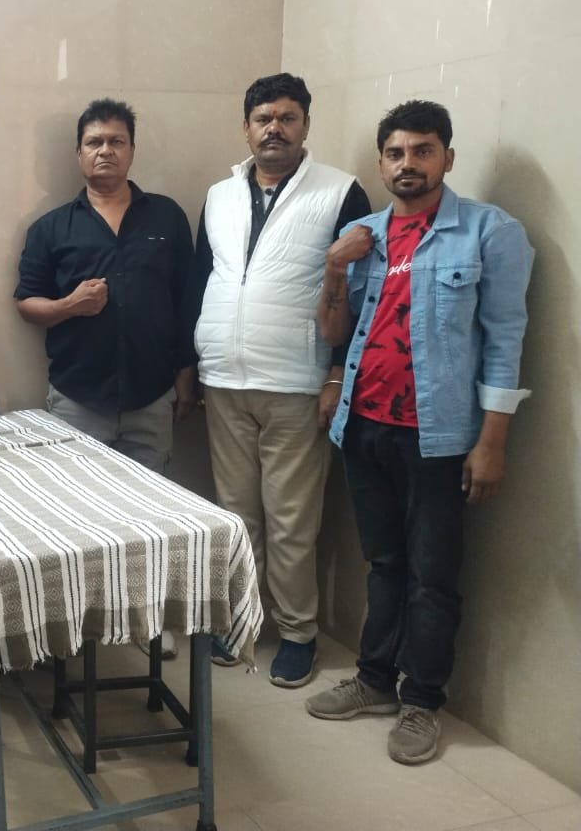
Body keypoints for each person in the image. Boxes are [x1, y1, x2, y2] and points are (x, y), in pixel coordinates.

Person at [305, 100, 533, 764]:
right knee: (383, 563)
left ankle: (422, 700)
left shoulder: (490, 232)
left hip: (439, 437)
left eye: (423, 150)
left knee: (433, 575)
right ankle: (375, 680)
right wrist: (334, 267)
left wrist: (493, 441)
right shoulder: (364, 236)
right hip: (364, 427)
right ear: (382, 163)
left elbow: (505, 342)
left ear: (447, 158)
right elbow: (334, 332)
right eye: (396, 153)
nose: (408, 164)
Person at [194, 73, 372, 687]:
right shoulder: (219, 195)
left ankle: (298, 632)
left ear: (305, 125)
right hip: (224, 378)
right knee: (235, 515)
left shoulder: (340, 191)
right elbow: (202, 277)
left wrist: (335, 375)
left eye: (287, 117)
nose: (275, 128)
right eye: (264, 118)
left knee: (293, 519)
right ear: (246, 127)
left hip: (297, 381)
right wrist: (193, 366)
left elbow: (358, 292)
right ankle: (242, 622)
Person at [16, 97, 197, 659]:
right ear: (78, 153)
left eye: (116, 141)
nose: (105, 151)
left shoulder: (166, 217)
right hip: (79, 395)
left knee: (151, 513)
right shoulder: (52, 228)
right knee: (76, 513)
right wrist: (68, 306)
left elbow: (186, 301)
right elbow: (26, 302)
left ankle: (148, 620)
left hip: (151, 393)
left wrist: (185, 376)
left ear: (132, 150)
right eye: (94, 142)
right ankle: (78, 622)